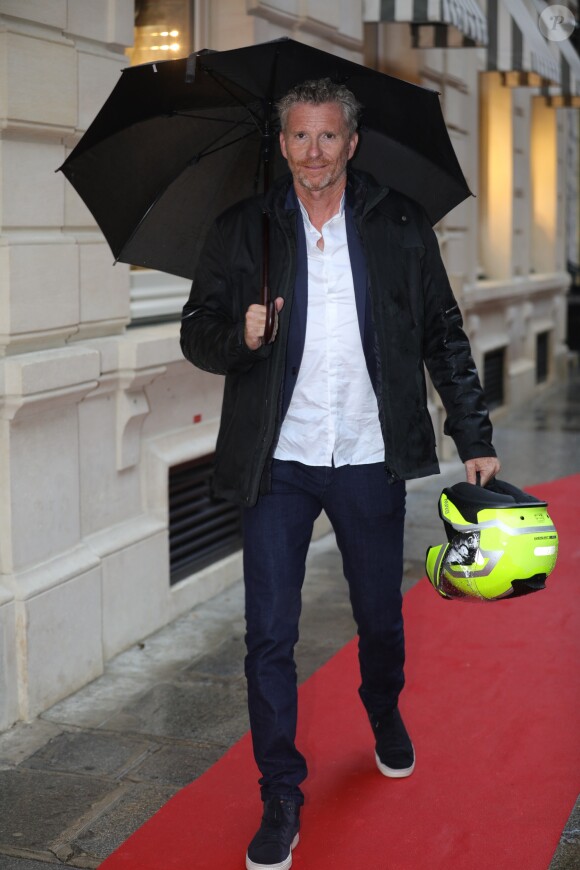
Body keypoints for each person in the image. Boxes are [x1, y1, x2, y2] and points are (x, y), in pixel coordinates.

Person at [180, 77, 500, 870]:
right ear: (281, 143)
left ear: (351, 143)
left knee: (379, 620)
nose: (313, 153)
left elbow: (444, 334)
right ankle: (281, 791)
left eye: (329, 137)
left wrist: (474, 433)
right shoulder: (243, 230)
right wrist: (241, 336)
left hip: (366, 455)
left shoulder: (398, 224)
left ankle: (383, 706)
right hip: (278, 462)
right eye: (299, 137)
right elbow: (197, 332)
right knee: (269, 638)